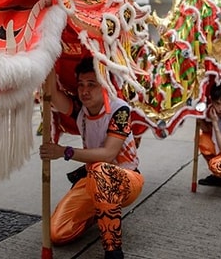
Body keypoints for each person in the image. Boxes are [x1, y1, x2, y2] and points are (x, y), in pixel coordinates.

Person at [39, 57, 144, 259]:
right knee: (58, 233)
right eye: (80, 85)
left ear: (105, 84)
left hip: (127, 180)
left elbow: (108, 154)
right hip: (92, 181)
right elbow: (50, 93)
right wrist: (49, 53)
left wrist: (64, 152)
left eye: (91, 85)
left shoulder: (119, 110)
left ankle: (113, 251)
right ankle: (99, 211)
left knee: (100, 169)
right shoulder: (81, 110)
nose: (84, 90)